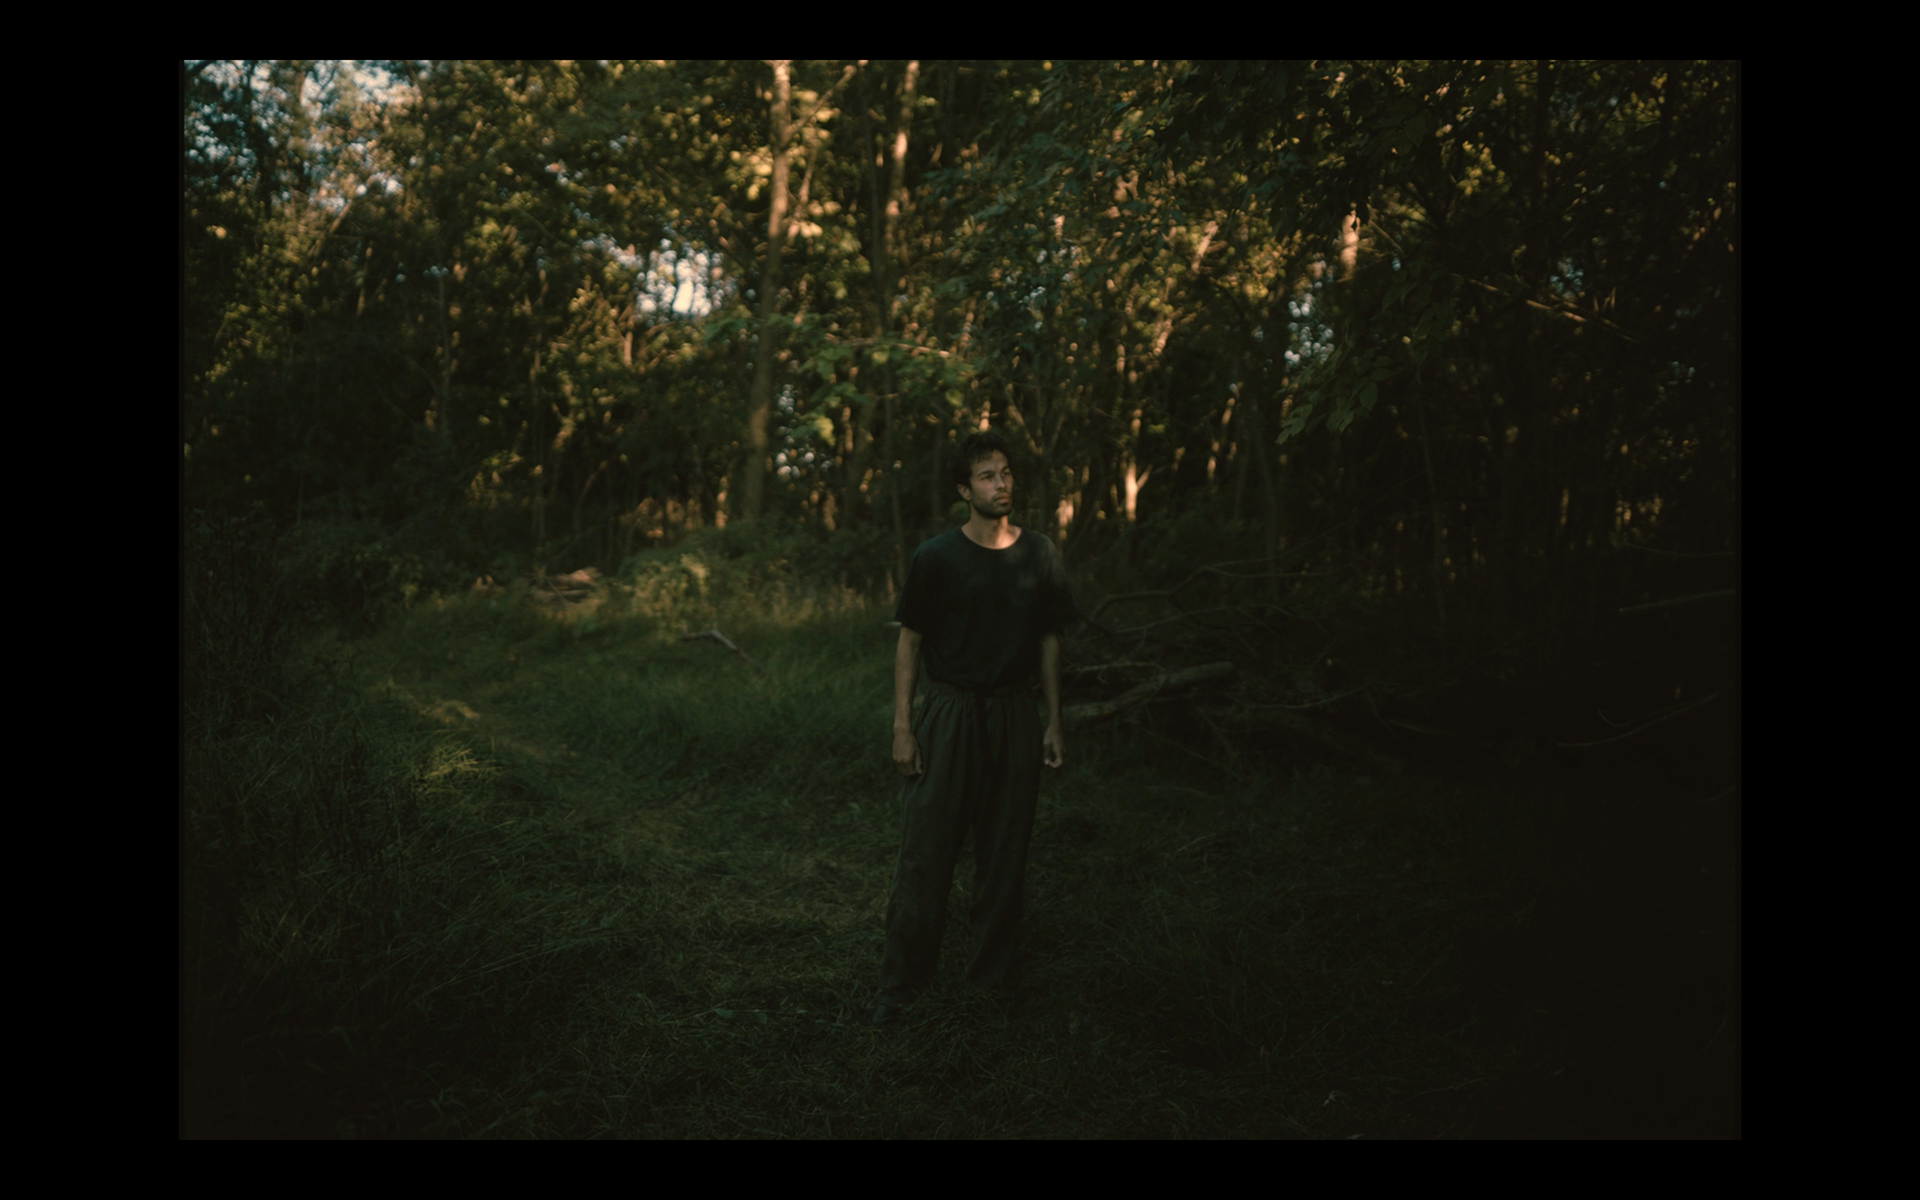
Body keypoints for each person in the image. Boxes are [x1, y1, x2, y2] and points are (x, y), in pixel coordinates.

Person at [866, 428, 1078, 1025]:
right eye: (987, 476)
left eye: (1006, 473)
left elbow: (1048, 639)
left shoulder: (1037, 552)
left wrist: (1053, 721)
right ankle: (900, 988)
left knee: (1005, 854)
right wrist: (903, 726)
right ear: (965, 489)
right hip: (950, 712)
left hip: (1014, 713)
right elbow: (911, 641)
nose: (1001, 483)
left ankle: (991, 986)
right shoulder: (936, 557)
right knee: (925, 853)